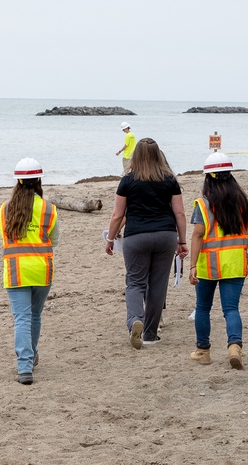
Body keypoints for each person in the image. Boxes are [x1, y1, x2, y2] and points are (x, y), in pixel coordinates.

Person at [104, 138, 187, 349]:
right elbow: (179, 213)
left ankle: (134, 320)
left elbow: (117, 215)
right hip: (165, 235)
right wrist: (182, 240)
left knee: (135, 282)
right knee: (157, 285)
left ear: (136, 155)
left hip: (136, 236)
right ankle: (150, 334)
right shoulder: (170, 180)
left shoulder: (127, 181)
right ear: (158, 154)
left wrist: (110, 239)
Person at [187, 152, 248, 369]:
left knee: (203, 307)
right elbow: (247, 231)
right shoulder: (243, 202)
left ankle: (203, 351)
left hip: (209, 264)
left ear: (208, 178)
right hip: (236, 262)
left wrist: (192, 265)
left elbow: (198, 234)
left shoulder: (203, 204)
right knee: (231, 309)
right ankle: (234, 347)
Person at [0, 158, 58, 385]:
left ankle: (25, 367)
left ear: (18, 181)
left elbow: (4, 237)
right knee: (34, 315)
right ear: (39, 180)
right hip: (42, 270)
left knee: (22, 317)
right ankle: (30, 357)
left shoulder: (5, 209)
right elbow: (55, 239)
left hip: (16, 270)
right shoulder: (49, 209)